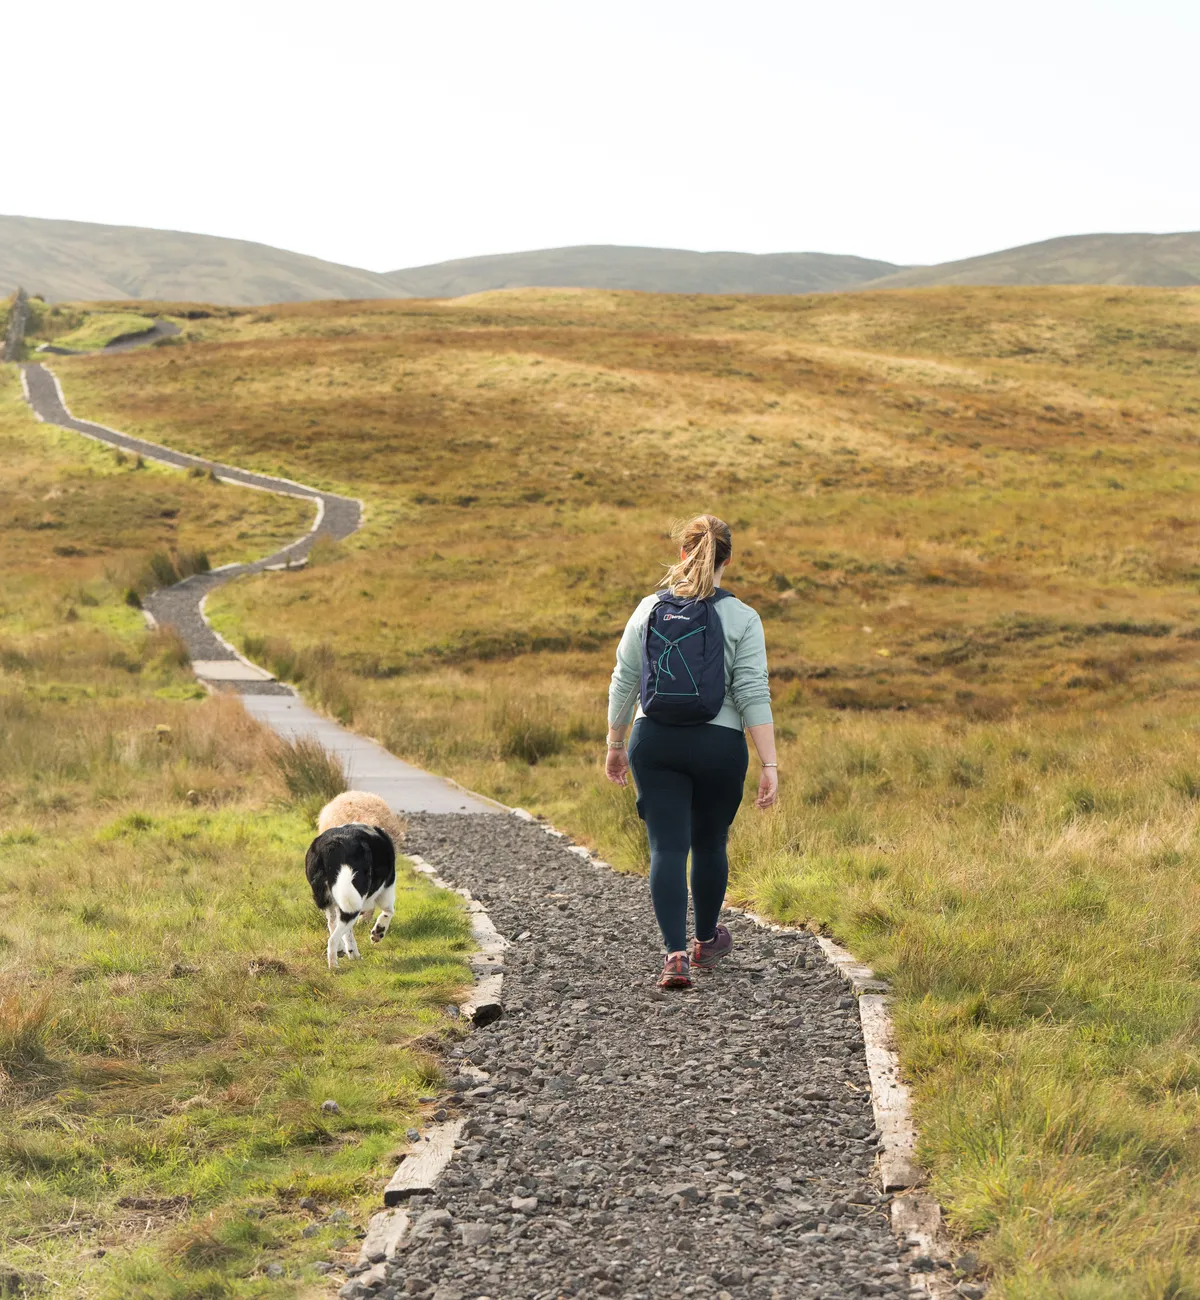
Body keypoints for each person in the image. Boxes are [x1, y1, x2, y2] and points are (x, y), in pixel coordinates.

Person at [604, 514, 777, 989]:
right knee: (708, 842)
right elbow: (752, 692)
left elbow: (624, 681)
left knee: (666, 846)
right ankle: (705, 940)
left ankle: (675, 955)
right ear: (728, 560)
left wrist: (615, 744)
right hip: (719, 743)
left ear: (683, 552)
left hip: (654, 739)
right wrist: (770, 763)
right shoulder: (742, 616)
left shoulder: (648, 608)